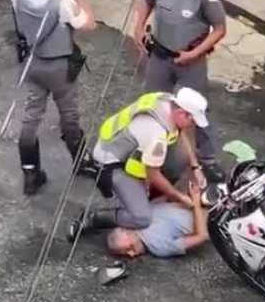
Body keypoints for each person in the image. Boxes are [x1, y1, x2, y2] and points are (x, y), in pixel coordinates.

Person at [11, 0, 97, 195]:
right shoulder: (64, 2)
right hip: (60, 68)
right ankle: (81, 161)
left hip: (32, 63)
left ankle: (30, 172)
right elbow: (88, 24)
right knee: (68, 116)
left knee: (30, 117)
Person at [133, 0, 226, 183]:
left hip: (189, 61)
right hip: (160, 56)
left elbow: (219, 29)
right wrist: (138, 26)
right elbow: (146, 0)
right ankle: (147, 149)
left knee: (198, 110)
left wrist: (195, 52)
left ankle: (208, 160)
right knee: (151, 105)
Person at [67, 87, 209, 241]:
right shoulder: (156, 133)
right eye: (192, 121)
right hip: (110, 162)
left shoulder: (165, 100)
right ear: (182, 113)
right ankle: (94, 218)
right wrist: (179, 197)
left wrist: (195, 167)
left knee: (178, 161)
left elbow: (178, 133)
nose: (192, 125)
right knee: (142, 218)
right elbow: (153, 174)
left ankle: (143, 198)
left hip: (125, 148)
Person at [107, 181, 208, 258]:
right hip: (212, 220)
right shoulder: (158, 246)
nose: (131, 254)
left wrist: (191, 194)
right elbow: (201, 236)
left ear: (126, 230)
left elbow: (169, 197)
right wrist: (195, 204)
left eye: (127, 249)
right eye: (126, 252)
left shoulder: (142, 214)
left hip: (203, 202)